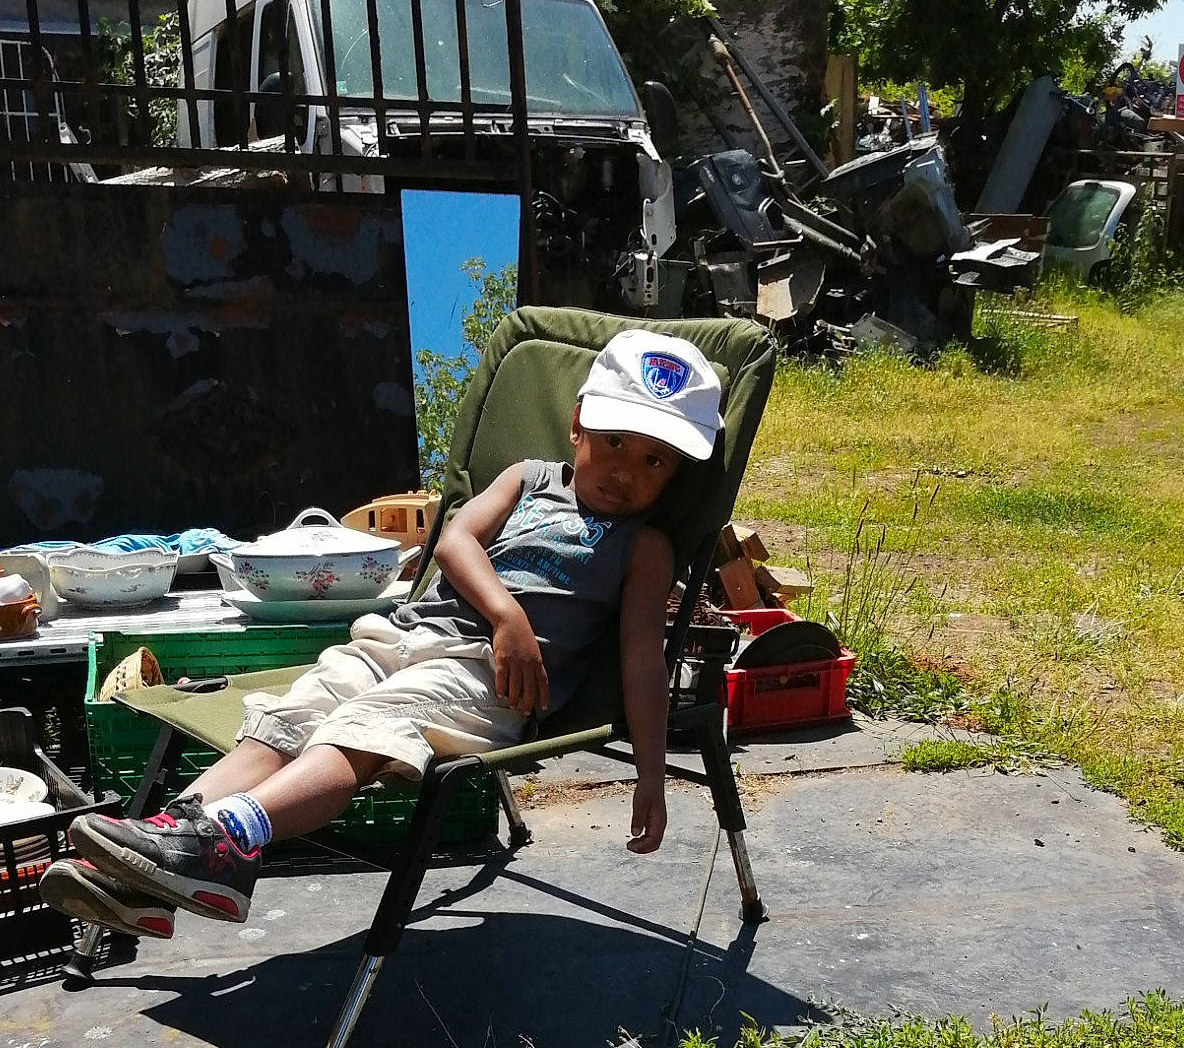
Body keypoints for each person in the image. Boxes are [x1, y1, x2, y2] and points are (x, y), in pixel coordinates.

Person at [41, 329, 722, 939]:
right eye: (615, 443)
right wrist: (508, 614)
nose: (628, 472)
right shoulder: (528, 480)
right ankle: (162, 852)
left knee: (361, 730)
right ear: (577, 424)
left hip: (480, 677)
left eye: (657, 462)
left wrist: (652, 778)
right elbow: (454, 538)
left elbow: (641, 662)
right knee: (292, 714)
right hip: (399, 636)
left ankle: (229, 839)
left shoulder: (645, 547)